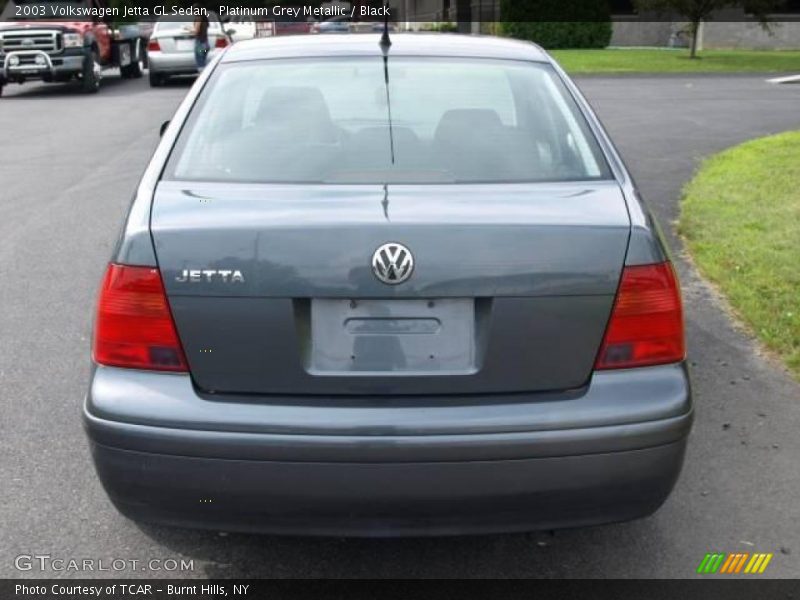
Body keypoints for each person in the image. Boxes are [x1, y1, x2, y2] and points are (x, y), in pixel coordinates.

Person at [192, 5, 210, 70]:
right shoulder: (204, 18)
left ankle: (202, 76)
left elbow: (196, 31)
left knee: (200, 63)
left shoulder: (198, 18)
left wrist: (188, 30)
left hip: (200, 44)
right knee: (203, 60)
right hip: (206, 44)